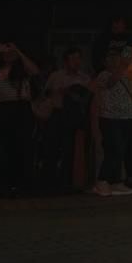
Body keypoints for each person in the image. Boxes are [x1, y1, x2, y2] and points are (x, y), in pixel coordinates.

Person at [0, 42, 41, 195]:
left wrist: (18, 51)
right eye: (5, 51)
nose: (8, 54)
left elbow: (35, 71)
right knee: (4, 148)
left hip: (21, 109)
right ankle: (4, 184)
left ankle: (23, 184)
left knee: (23, 148)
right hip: (3, 110)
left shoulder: (22, 70)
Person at [39, 46, 91, 190]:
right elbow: (45, 94)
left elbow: (87, 99)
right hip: (57, 114)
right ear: (65, 61)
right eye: (72, 59)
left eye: (78, 58)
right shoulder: (56, 76)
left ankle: (67, 181)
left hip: (73, 116)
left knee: (70, 149)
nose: (76, 62)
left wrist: (76, 96)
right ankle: (48, 182)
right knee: (52, 149)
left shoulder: (84, 78)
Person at [91, 49, 132, 196]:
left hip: (127, 118)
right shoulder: (103, 75)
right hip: (111, 119)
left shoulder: (126, 77)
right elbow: (110, 83)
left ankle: (116, 181)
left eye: (116, 58)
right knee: (114, 149)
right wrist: (123, 65)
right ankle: (102, 181)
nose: (114, 61)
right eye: (111, 59)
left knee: (121, 150)